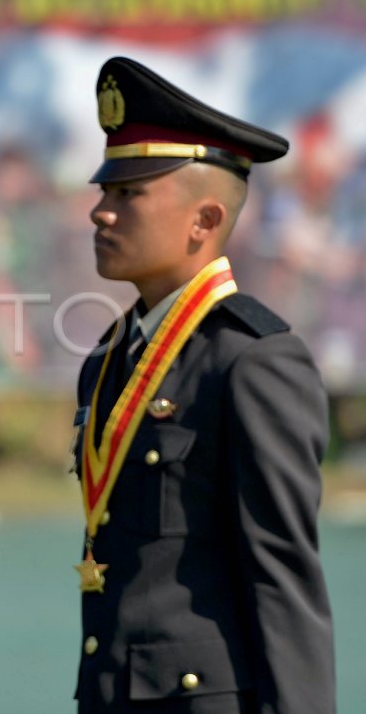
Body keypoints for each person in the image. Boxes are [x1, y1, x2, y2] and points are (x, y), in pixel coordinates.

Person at [70, 57, 335, 713]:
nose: (100, 213)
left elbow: (282, 582)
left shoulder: (254, 360)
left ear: (203, 220)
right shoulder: (108, 356)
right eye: (105, 191)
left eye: (128, 194)